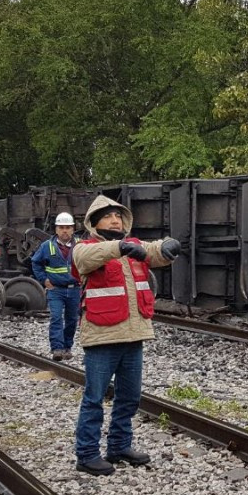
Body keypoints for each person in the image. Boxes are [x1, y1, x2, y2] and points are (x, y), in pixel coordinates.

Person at [71, 196, 182, 476]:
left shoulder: (132, 246)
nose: (115, 220)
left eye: (118, 216)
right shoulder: (85, 249)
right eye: (108, 216)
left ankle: (119, 446)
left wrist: (169, 246)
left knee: (129, 397)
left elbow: (154, 251)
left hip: (133, 335)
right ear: (94, 223)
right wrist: (121, 246)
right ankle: (86, 454)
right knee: (94, 397)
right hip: (101, 336)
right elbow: (87, 259)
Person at [31, 213, 80, 360]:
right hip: (55, 290)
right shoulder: (47, 246)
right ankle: (57, 348)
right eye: (61, 228)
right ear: (56, 229)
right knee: (56, 318)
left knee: (72, 320)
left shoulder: (80, 245)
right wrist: (44, 280)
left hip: (74, 289)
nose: (65, 231)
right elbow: (35, 262)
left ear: (72, 229)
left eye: (68, 227)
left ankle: (67, 347)